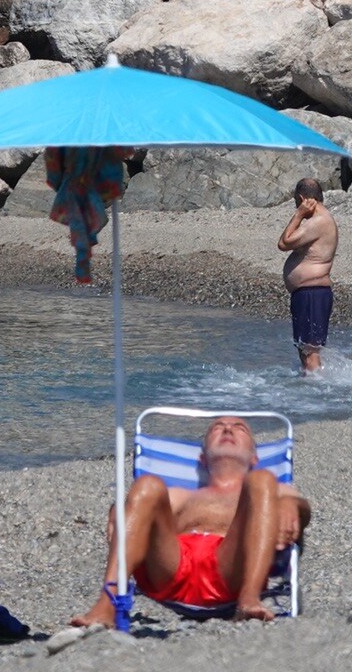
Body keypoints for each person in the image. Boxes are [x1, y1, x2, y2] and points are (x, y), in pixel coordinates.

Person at [70, 416, 312, 628]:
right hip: (170, 566)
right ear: (203, 457)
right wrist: (119, 510)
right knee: (147, 485)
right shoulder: (180, 495)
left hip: (230, 568)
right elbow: (142, 514)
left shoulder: (269, 488)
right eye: (217, 427)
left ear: (254, 457)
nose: (227, 429)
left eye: (240, 428)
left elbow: (301, 506)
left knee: (261, 480)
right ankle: (107, 603)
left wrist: (293, 506)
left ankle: (248, 599)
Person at [277, 177, 336, 374]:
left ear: (302, 199)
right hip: (309, 293)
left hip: (312, 292)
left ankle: (317, 396)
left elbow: (284, 243)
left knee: (310, 351)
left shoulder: (318, 221)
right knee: (305, 349)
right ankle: (311, 389)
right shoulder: (319, 221)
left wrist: (298, 214)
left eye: (297, 203)